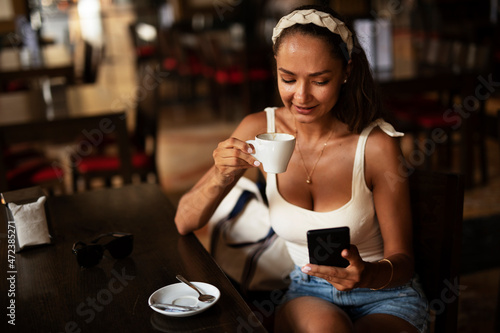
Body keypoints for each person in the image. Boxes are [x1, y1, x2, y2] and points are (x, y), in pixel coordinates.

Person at [175, 4, 429, 333]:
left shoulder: (376, 145)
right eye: (288, 78)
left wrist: (366, 273)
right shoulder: (259, 130)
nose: (301, 96)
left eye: (320, 80)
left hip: (385, 294)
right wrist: (221, 175)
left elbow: (403, 262)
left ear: (346, 72)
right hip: (310, 291)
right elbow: (184, 220)